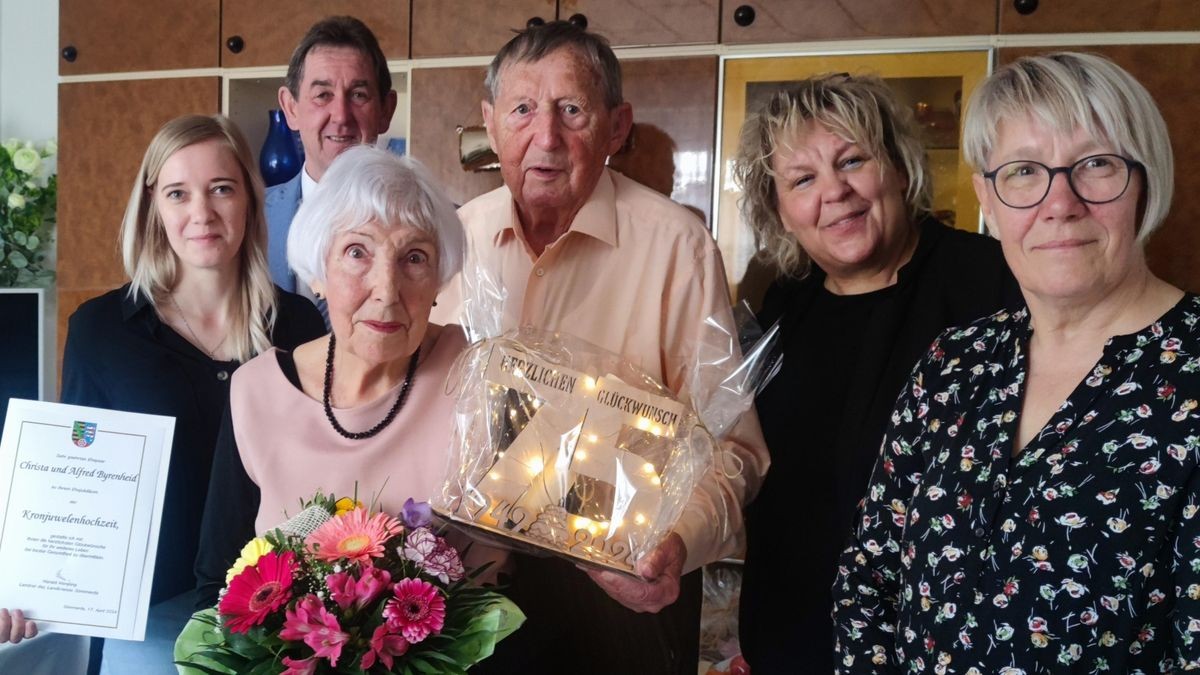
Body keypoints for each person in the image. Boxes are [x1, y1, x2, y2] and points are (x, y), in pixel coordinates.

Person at [833, 52, 1198, 672]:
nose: (1060, 203)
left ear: (1145, 179)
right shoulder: (956, 363)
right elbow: (868, 583)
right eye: (1025, 171)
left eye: (1096, 165)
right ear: (988, 197)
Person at [441, 21, 769, 675]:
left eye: (571, 110)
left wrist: (673, 545)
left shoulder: (677, 246)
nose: (545, 137)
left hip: (625, 601)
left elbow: (734, 450)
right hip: (464, 597)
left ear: (616, 127)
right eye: (523, 110)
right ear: (491, 122)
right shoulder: (451, 240)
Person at [0, 114, 325, 672]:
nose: (201, 213)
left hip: (279, 618)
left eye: (221, 189)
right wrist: (27, 579)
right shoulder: (101, 330)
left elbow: (324, 464)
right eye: (178, 193)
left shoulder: (298, 326)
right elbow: (72, 475)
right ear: (154, 206)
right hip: (147, 622)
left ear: (249, 198)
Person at [730, 75, 1019, 673]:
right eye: (803, 179)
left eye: (852, 160)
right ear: (779, 210)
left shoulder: (992, 283)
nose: (834, 193)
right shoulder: (779, 302)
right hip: (790, 633)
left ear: (898, 167)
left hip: (942, 646)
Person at [194, 146, 467, 608]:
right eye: (357, 252)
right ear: (318, 272)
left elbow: (518, 590)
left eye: (415, 258)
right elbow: (215, 589)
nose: (386, 290)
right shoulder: (257, 392)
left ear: (439, 282)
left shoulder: (476, 384)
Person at [267, 15, 397, 296]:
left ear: (386, 110)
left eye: (359, 95)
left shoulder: (438, 225)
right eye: (323, 95)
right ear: (291, 108)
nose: (341, 115)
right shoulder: (248, 220)